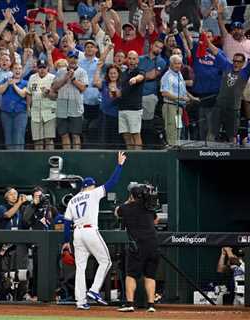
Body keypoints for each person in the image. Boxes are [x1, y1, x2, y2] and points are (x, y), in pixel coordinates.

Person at [62, 151, 126, 310]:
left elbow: (66, 223)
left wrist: (66, 241)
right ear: (89, 186)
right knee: (106, 261)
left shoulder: (72, 200)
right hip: (90, 231)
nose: (95, 186)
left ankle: (80, 301)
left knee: (80, 268)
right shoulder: (93, 193)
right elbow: (112, 182)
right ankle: (94, 290)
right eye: (94, 184)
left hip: (77, 233)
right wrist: (119, 165)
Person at [116, 184, 159, 313]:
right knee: (150, 276)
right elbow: (156, 220)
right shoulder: (149, 208)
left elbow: (117, 212)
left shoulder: (126, 207)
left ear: (131, 196)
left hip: (138, 246)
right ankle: (151, 305)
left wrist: (129, 201)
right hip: (153, 245)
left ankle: (130, 304)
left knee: (131, 276)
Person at [205, 36, 250, 143]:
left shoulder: (245, 72)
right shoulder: (227, 66)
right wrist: (206, 40)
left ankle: (233, 157)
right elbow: (216, 52)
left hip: (233, 109)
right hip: (219, 106)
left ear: (243, 63)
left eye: (239, 62)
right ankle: (208, 153)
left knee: (232, 136)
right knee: (211, 133)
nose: (236, 63)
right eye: (234, 61)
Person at [51, 50, 88, 149]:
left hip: (75, 107)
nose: (73, 60)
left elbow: (83, 88)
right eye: (71, 57)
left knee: (76, 135)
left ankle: (76, 157)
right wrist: (64, 78)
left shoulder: (82, 72)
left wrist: (73, 79)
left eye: (75, 58)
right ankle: (67, 156)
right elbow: (54, 87)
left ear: (78, 60)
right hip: (62, 107)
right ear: (67, 58)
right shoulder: (60, 71)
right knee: (64, 134)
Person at [160, 55, 199, 146]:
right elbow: (164, 93)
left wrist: (193, 98)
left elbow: (183, 90)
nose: (178, 65)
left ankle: (176, 146)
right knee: (171, 128)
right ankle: (171, 148)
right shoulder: (167, 76)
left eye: (179, 63)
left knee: (178, 128)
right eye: (175, 63)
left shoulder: (179, 74)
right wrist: (181, 98)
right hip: (170, 106)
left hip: (179, 107)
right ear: (170, 64)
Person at [27, 59, 57, 150]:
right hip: (36, 112)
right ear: (37, 68)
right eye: (40, 67)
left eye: (44, 67)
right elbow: (29, 93)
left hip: (50, 112)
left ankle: (49, 158)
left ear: (47, 68)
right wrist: (28, 106)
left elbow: (56, 96)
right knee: (37, 140)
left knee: (49, 139)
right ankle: (38, 161)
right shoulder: (32, 77)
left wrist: (48, 93)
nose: (42, 70)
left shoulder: (53, 78)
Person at [118, 51, 145, 150]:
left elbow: (140, 77)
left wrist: (135, 79)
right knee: (126, 136)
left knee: (135, 134)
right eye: (129, 58)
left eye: (134, 59)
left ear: (137, 60)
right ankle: (130, 158)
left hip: (134, 109)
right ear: (126, 60)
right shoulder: (123, 74)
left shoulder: (140, 71)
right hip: (122, 109)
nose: (131, 61)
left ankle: (139, 159)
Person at [0, 63, 28, 150]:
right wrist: (8, 82)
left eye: (19, 69)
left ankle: (18, 158)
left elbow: (23, 94)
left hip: (20, 113)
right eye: (15, 69)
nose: (17, 70)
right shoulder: (5, 81)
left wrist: (14, 84)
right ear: (12, 71)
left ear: (22, 71)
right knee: (8, 136)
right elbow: (0, 91)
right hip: (6, 113)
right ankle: (9, 158)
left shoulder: (25, 82)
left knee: (19, 135)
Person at [138, 40, 166, 123]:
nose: (158, 49)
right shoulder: (140, 59)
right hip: (136, 95)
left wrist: (137, 77)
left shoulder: (161, 62)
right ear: (151, 46)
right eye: (157, 46)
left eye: (160, 48)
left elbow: (151, 76)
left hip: (149, 95)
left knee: (147, 124)